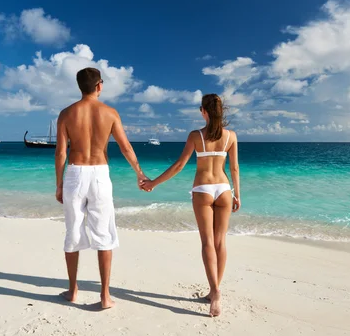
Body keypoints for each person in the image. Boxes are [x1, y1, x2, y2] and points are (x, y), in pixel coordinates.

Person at [55, 67, 148, 309]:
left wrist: (59, 183)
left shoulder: (66, 113)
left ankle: (73, 290)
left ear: (80, 86)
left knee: (73, 232)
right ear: (100, 85)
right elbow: (126, 147)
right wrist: (139, 174)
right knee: (104, 233)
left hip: (74, 173)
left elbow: (61, 152)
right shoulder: (110, 113)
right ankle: (105, 296)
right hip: (99, 175)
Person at [140, 94, 240, 317]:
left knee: (207, 243)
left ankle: (214, 292)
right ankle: (214, 290)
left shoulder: (196, 136)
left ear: (203, 111)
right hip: (224, 189)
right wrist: (237, 195)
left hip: (203, 190)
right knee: (220, 242)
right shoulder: (231, 136)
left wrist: (153, 183)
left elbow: (179, 166)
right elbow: (234, 169)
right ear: (221, 111)